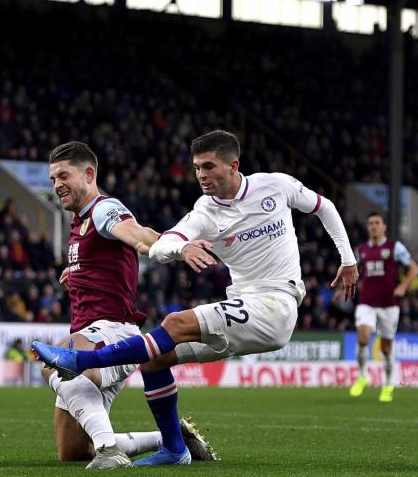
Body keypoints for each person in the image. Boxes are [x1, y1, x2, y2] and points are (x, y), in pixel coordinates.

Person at [34, 131, 358, 466]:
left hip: (276, 301)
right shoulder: (205, 211)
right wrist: (180, 246)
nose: (200, 174)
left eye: (208, 166)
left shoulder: (274, 185)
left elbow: (325, 206)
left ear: (233, 165)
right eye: (196, 168)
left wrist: (348, 259)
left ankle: (83, 362)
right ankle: (175, 448)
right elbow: (164, 242)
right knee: (155, 360)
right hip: (244, 303)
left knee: (174, 323)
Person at [38, 141, 216, 470]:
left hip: (113, 331)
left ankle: (109, 450)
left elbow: (139, 235)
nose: (57, 184)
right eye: (52, 179)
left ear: (89, 174)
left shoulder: (105, 209)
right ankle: (171, 436)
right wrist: (75, 274)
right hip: (90, 331)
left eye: (63, 175)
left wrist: (177, 247)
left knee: (53, 362)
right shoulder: (79, 223)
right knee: (72, 451)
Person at [349, 212, 418, 402]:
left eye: (377, 223)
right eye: (370, 223)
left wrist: (403, 286)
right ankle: (362, 376)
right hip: (367, 302)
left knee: (386, 348)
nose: (373, 226)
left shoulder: (394, 247)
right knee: (363, 337)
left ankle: (388, 384)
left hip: (389, 305)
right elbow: (356, 272)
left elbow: (414, 268)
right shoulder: (361, 249)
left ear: (384, 227)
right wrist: (343, 288)